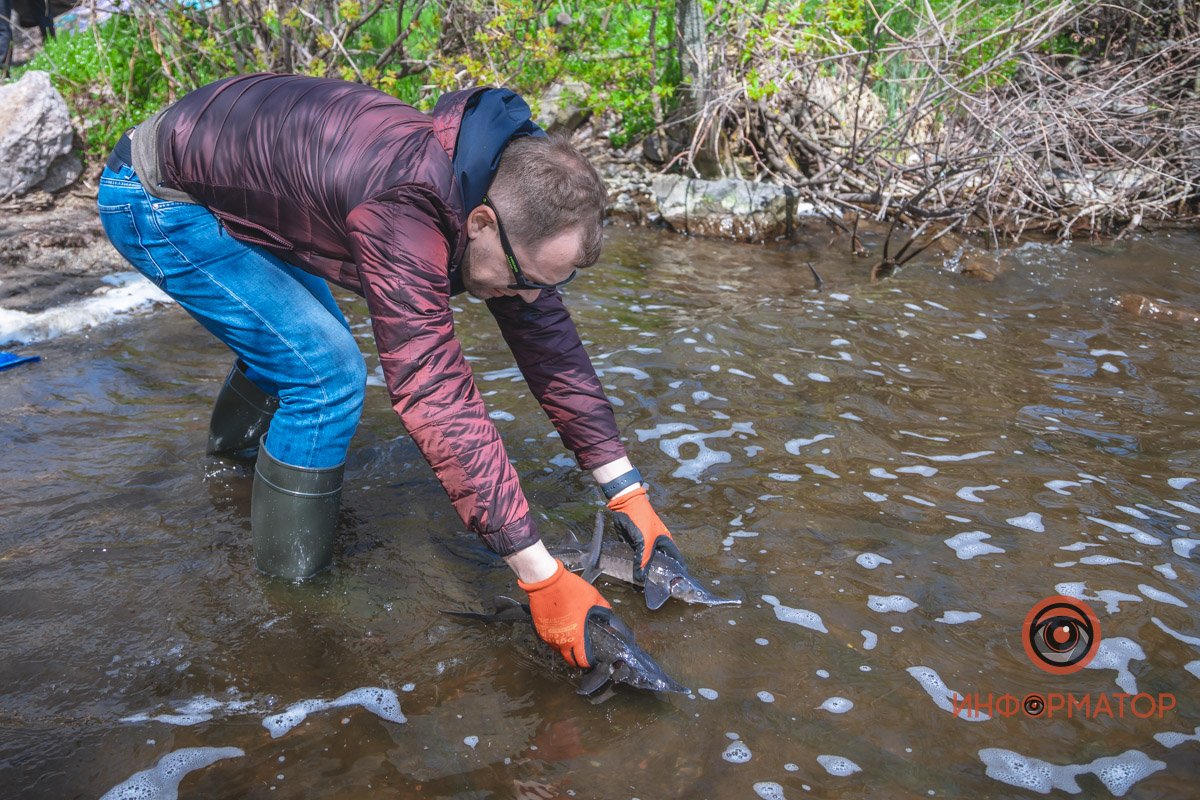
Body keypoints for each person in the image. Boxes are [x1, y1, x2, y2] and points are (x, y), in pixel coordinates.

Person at [97, 73, 686, 673]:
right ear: (480, 224)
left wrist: (626, 491)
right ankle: (295, 590)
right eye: (526, 279)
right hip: (157, 196)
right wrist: (539, 578)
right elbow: (434, 394)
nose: (531, 298)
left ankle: (232, 469)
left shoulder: (503, 193)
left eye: (550, 283)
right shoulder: (406, 210)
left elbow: (548, 341)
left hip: (229, 171)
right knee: (326, 378)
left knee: (298, 348)